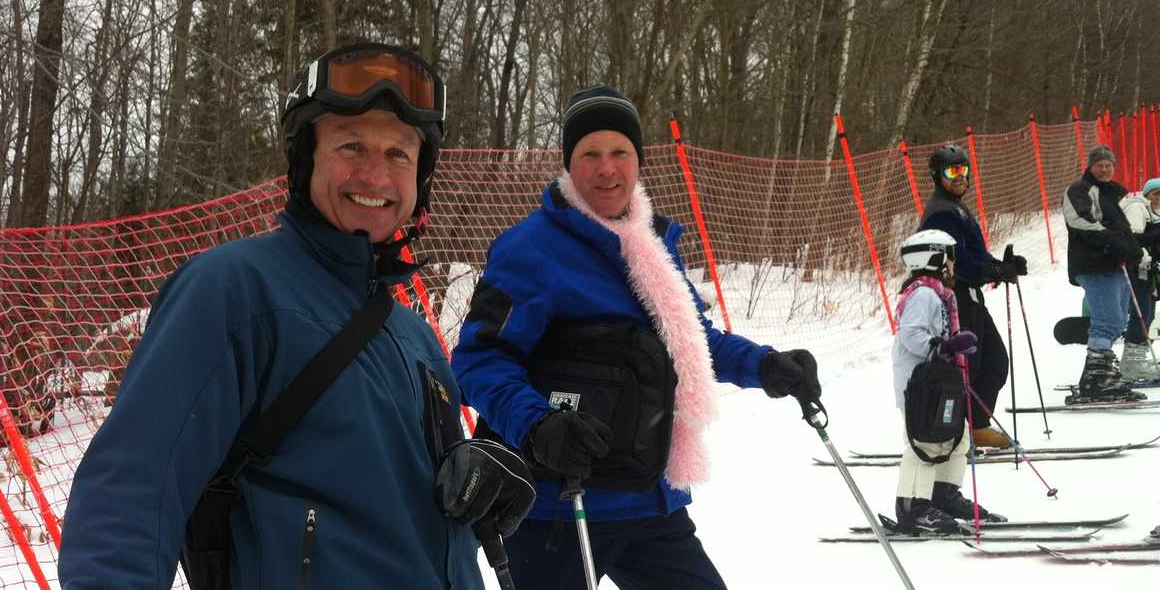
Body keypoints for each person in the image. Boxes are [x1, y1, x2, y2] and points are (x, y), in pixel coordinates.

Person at [58, 43, 535, 589]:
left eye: (398, 154)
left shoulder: (414, 337)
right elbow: (133, 490)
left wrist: (471, 470)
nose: (376, 175)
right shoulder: (235, 291)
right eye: (352, 146)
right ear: (306, 157)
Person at [450, 85, 823, 589]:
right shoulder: (530, 250)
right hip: (557, 507)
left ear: (639, 161)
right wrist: (537, 424)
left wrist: (766, 366)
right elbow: (479, 360)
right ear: (568, 164)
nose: (607, 169)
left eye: (620, 152)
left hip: (649, 499)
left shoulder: (651, 247)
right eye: (591, 154)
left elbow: (690, 341)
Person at [891, 229, 1005, 533]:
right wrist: (942, 347)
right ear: (934, 259)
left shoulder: (939, 294)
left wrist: (954, 347)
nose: (954, 264)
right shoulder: (922, 294)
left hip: (938, 382)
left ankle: (942, 495)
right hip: (919, 385)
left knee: (957, 439)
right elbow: (911, 334)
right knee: (924, 444)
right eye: (950, 257)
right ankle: (912, 506)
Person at [918, 144, 1024, 448]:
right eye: (952, 171)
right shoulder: (941, 213)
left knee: (994, 361)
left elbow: (975, 254)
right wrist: (990, 271)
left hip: (969, 296)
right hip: (954, 298)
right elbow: (958, 261)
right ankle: (950, 430)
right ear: (937, 176)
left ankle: (976, 427)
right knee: (968, 367)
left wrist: (1000, 266)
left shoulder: (956, 207)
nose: (960, 177)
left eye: (964, 170)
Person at [1061, 144, 1148, 403]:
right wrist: (1111, 242)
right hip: (1093, 264)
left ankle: (1102, 372)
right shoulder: (1080, 189)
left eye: (1109, 165)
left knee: (1119, 320)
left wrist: (1134, 251)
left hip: (1115, 264)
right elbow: (1079, 221)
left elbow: (1122, 228)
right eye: (1099, 165)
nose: (1104, 169)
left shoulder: (1112, 193)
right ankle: (1097, 379)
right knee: (1107, 319)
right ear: (1090, 166)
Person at [1118, 176, 1160, 380]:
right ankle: (1131, 365)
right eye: (1156, 193)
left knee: (1148, 314)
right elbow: (1133, 238)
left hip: (1148, 270)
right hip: (1136, 268)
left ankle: (1136, 359)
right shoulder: (1137, 208)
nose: (1159, 198)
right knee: (1141, 313)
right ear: (1147, 194)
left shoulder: (1154, 213)